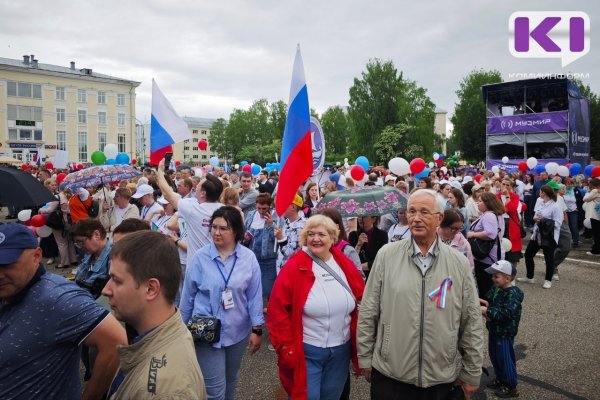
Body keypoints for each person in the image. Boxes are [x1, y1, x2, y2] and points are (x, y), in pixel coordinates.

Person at [357, 189, 483, 400]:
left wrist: (472, 372)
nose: (415, 218)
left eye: (424, 212)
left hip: (439, 376)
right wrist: (364, 357)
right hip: (391, 374)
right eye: (411, 211)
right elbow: (369, 309)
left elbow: (471, 320)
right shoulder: (387, 256)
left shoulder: (458, 263)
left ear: (439, 218)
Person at [0, 224, 126, 399]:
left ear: (36, 256)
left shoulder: (59, 299)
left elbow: (116, 342)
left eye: (7, 264)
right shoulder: (11, 289)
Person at [267, 215, 365, 400]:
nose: (315, 239)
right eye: (310, 234)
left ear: (332, 238)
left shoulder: (344, 264)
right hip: (307, 351)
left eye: (321, 234)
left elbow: (362, 297)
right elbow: (277, 310)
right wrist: (285, 347)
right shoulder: (294, 267)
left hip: (340, 350)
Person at [102, 231, 207, 399]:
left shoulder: (164, 392)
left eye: (117, 280)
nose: (105, 290)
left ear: (151, 289)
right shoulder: (163, 328)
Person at [180, 206, 264, 400]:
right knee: (214, 391)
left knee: (231, 380)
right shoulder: (200, 257)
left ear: (235, 231)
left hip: (237, 331)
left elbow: (254, 296)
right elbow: (188, 297)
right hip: (206, 331)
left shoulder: (248, 258)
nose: (216, 233)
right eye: (214, 227)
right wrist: (181, 330)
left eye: (223, 228)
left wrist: (256, 329)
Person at [157, 159, 224, 260]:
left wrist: (160, 171)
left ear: (203, 193)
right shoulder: (225, 210)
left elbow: (167, 194)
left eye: (197, 187)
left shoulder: (193, 209)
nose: (194, 188)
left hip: (196, 267)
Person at [480, 260, 524, 399]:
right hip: (494, 330)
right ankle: (500, 378)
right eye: (492, 276)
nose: (493, 278)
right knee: (495, 356)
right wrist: (486, 304)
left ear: (508, 278)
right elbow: (489, 300)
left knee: (505, 358)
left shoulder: (513, 295)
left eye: (496, 276)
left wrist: (487, 311)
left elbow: (506, 313)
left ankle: (511, 386)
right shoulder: (496, 289)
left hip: (504, 333)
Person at [518, 185, 563, 289]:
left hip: (549, 236)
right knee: (528, 254)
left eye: (541, 191)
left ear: (544, 193)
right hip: (537, 234)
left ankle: (548, 280)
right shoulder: (541, 203)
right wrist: (536, 218)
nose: (539, 192)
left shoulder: (555, 206)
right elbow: (536, 215)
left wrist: (543, 221)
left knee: (549, 259)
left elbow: (558, 223)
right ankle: (530, 277)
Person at [467, 192, 505, 298]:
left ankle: (485, 310)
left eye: (480, 201)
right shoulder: (493, 214)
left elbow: (490, 234)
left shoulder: (489, 215)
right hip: (490, 255)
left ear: (487, 203)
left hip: (486, 256)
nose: (477, 203)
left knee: (485, 286)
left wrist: (472, 234)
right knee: (487, 286)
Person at [244, 193, 278, 301]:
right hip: (251, 258)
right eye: (259, 208)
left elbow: (278, 240)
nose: (261, 211)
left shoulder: (276, 216)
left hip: (268, 260)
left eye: (265, 208)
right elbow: (244, 232)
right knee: (251, 287)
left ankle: (269, 309)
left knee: (267, 289)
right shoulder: (251, 214)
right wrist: (245, 237)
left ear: (270, 206)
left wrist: (271, 225)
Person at [498, 178, 525, 276]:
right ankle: (501, 274)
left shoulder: (515, 197)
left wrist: (508, 196)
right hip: (500, 226)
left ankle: (512, 275)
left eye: (508, 185)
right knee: (500, 251)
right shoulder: (496, 197)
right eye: (503, 184)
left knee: (512, 254)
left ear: (511, 187)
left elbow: (510, 209)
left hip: (512, 227)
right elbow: (498, 210)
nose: (505, 186)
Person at [274, 194, 306, 273]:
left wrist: (281, 239)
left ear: (293, 207)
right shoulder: (287, 221)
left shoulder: (301, 227)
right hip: (282, 269)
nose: (282, 207)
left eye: (285, 204)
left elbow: (289, 253)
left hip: (292, 272)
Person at [583, 178, 600, 256]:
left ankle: (596, 250)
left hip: (595, 215)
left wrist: (590, 194)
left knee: (596, 233)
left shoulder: (595, 191)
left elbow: (585, 199)